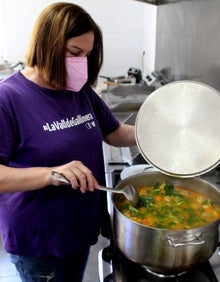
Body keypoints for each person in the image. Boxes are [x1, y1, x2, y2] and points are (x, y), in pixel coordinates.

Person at [0, 2, 136, 282]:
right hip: (40, 243)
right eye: (75, 53)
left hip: (79, 231)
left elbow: (115, 132)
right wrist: (52, 174)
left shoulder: (79, 92)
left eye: (86, 54)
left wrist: (164, 135)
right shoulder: (9, 98)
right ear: (47, 44)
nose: (81, 62)